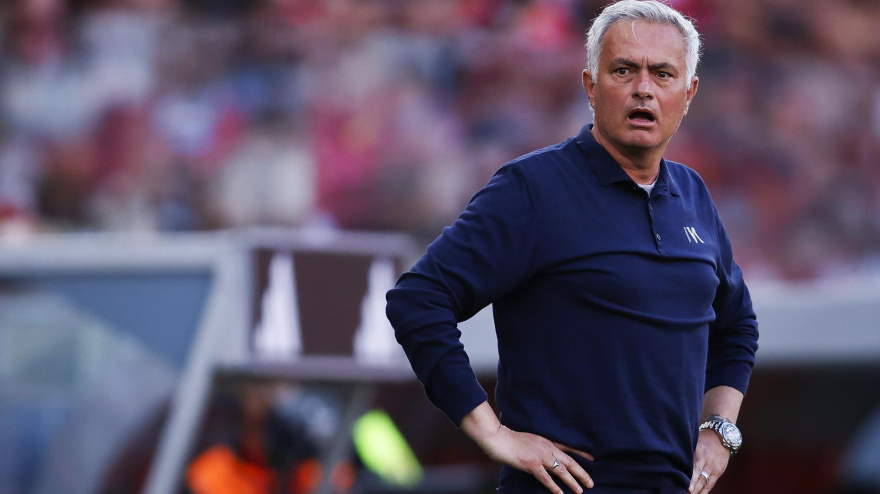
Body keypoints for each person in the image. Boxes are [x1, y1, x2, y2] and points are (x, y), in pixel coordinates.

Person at [385, 1, 759, 493]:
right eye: (624, 70)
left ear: (687, 94)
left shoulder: (692, 195)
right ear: (590, 85)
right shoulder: (533, 188)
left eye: (663, 74)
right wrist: (493, 433)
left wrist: (718, 432)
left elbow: (737, 326)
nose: (643, 88)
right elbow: (418, 300)